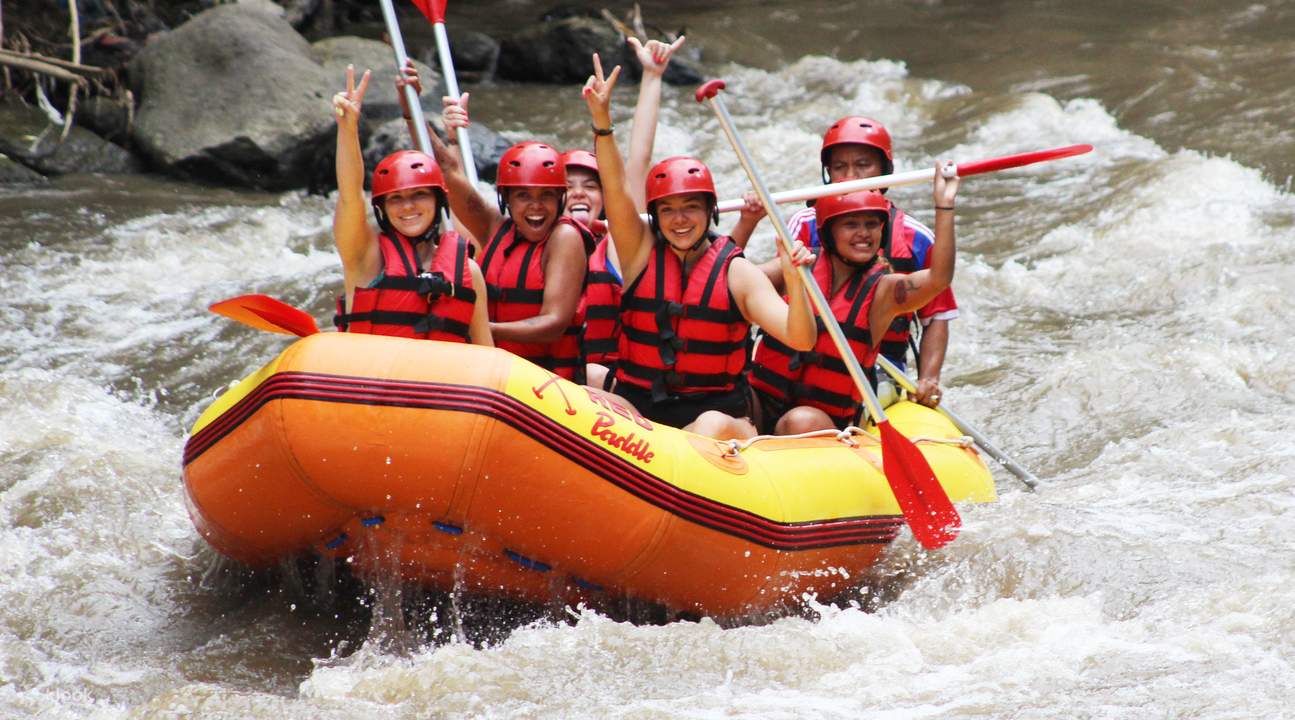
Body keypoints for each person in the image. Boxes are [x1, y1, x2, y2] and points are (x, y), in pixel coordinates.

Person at [583, 54, 817, 440]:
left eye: (691, 208)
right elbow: (616, 188)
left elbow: (802, 338)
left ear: (710, 211)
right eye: (669, 210)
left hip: (717, 419)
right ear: (655, 216)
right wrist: (602, 122)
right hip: (643, 411)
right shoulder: (638, 253)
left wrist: (794, 282)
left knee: (707, 427)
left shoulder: (737, 273)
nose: (679, 220)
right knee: (586, 390)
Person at [746, 116, 958, 407]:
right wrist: (747, 221)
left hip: (881, 368)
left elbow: (936, 316)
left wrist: (928, 378)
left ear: (885, 171)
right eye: (839, 167)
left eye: (862, 165)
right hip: (796, 356)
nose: (850, 177)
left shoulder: (916, 237)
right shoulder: (804, 225)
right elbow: (750, 288)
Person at [751, 178, 959, 435]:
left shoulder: (884, 292)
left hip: (820, 421)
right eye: (851, 224)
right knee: (725, 404)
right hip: (763, 401)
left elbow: (939, 278)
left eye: (872, 224)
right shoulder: (797, 265)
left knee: (799, 421)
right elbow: (735, 280)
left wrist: (945, 206)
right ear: (829, 230)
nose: (864, 233)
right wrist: (747, 221)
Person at [329, 64, 492, 346]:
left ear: (438, 199)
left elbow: (486, 352)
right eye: (396, 198)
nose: (407, 207)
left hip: (440, 386)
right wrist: (348, 128)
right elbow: (349, 195)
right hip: (373, 385)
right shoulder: (365, 256)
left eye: (419, 195)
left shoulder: (468, 271)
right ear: (382, 208)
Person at [430, 98, 589, 382]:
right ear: (506, 199)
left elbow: (553, 323)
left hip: (549, 382)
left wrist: (484, 330)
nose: (536, 206)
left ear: (560, 198)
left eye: (546, 196)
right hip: (495, 372)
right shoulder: (493, 226)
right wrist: (409, 109)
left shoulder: (564, 237)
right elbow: (447, 173)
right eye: (523, 196)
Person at [569, 36, 687, 390]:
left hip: (619, 385)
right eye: (568, 186)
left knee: (587, 374)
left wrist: (652, 77)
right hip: (552, 387)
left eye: (590, 186)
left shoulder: (621, 244)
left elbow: (638, 161)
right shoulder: (535, 244)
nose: (577, 192)